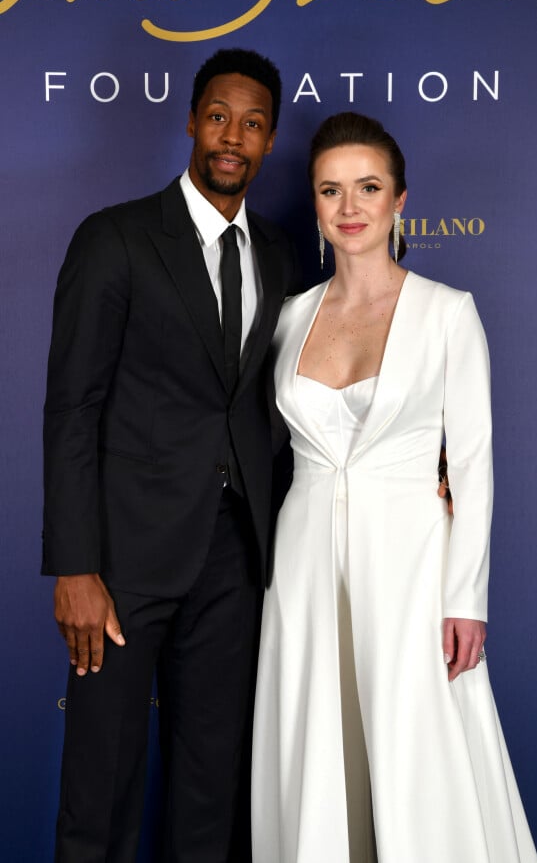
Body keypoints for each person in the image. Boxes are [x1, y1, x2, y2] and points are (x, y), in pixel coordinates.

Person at [251, 112, 537, 863]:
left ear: (400, 200)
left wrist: (463, 599)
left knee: (421, 757)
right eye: (331, 190)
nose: (350, 207)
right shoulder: (286, 319)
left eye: (368, 187)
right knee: (317, 744)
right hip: (307, 562)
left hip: (413, 565)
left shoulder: (447, 314)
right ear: (314, 204)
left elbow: (472, 465)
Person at [42, 48, 301, 863]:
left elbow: (287, 408)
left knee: (211, 791)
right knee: (102, 786)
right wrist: (75, 567)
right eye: (220, 116)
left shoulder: (283, 257)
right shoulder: (115, 238)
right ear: (191, 121)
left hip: (235, 563)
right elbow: (72, 410)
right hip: (121, 567)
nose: (234, 136)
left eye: (253, 124)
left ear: (269, 142)